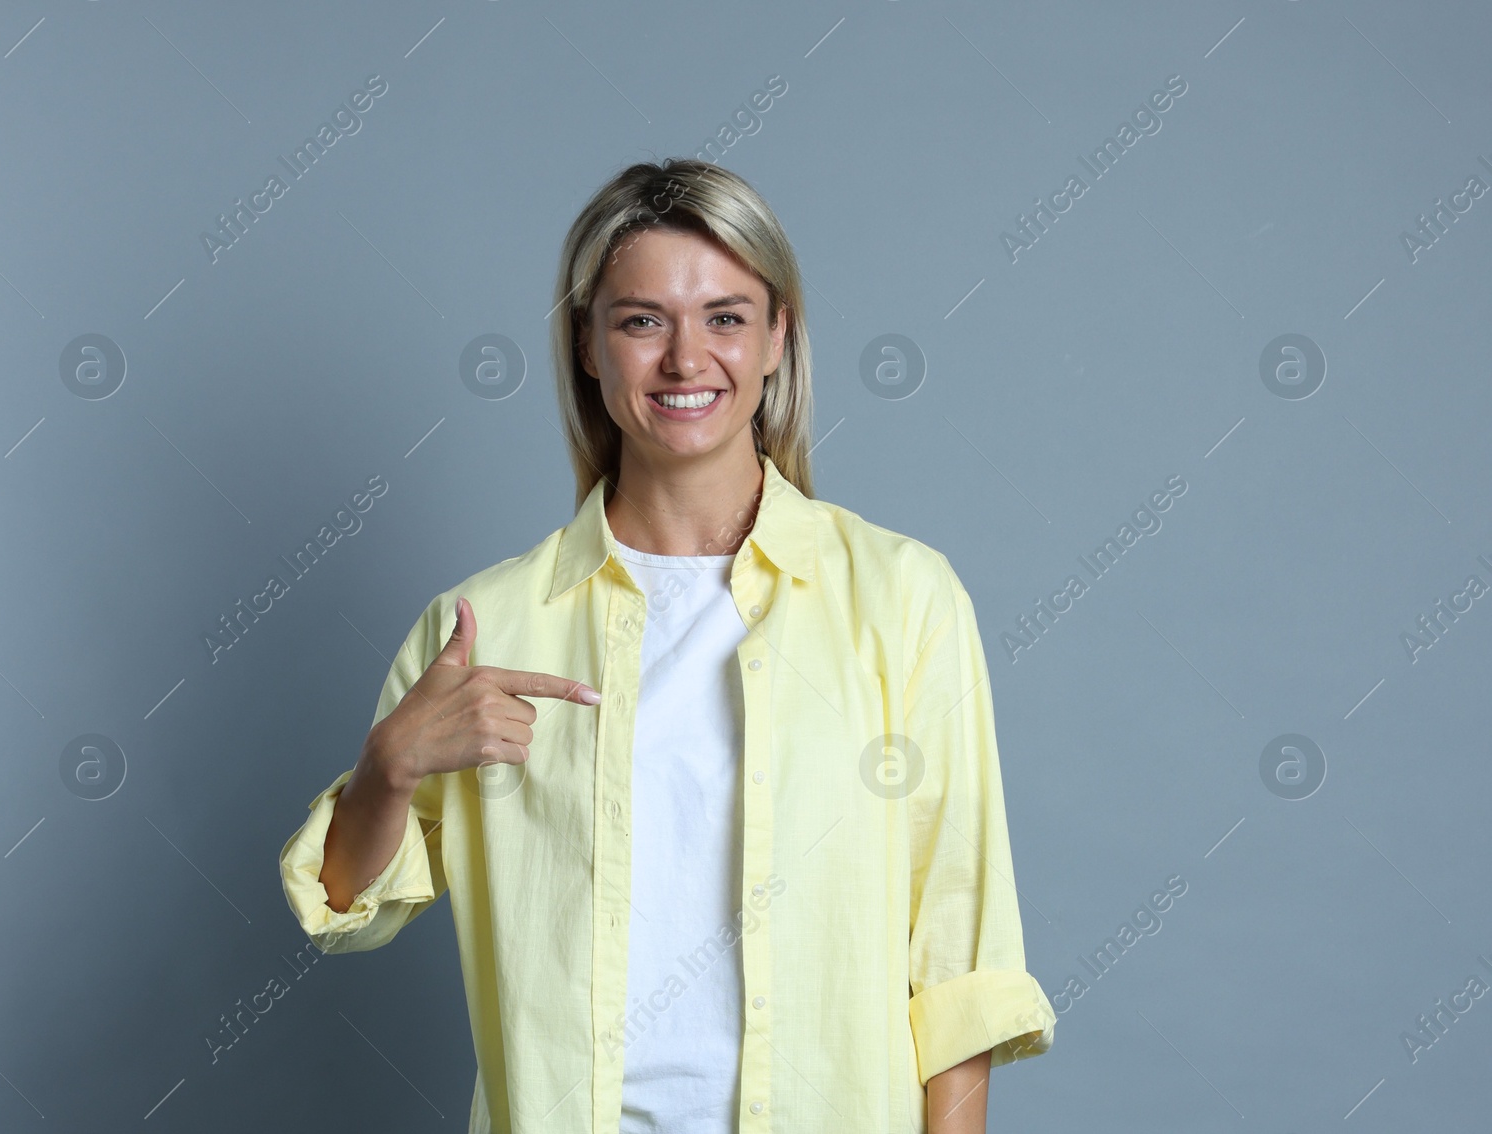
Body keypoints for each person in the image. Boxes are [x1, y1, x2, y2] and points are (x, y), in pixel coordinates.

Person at [279, 157, 1055, 1133]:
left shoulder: (902, 600)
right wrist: (385, 770)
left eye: (725, 316)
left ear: (779, 337)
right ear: (589, 347)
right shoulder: (483, 627)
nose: (687, 360)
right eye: (642, 320)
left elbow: (961, 955)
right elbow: (351, 908)